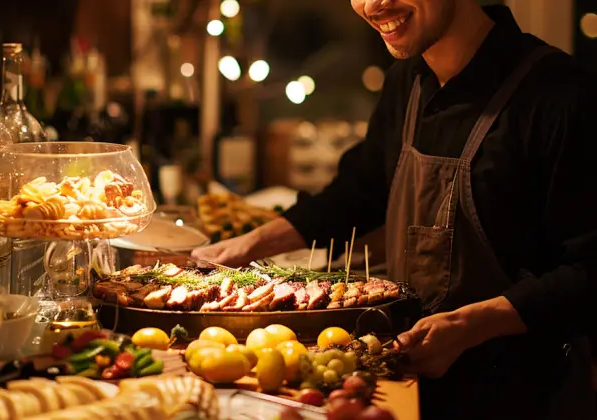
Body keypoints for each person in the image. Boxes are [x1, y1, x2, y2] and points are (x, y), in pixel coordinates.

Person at [192, 1, 597, 419]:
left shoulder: (563, 97)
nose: (373, 5)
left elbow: (588, 271)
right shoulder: (408, 80)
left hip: (523, 397)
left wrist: (469, 326)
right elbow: (361, 188)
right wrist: (244, 247)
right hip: (409, 383)